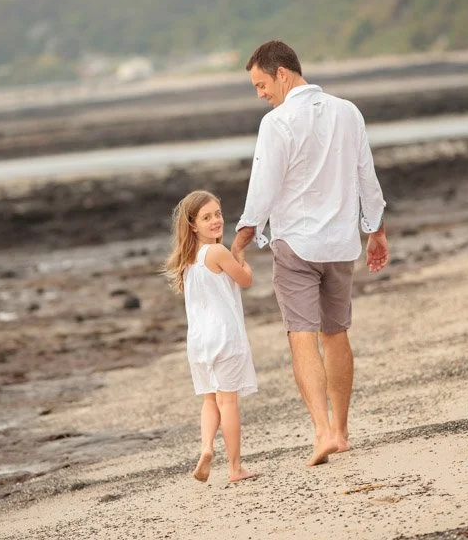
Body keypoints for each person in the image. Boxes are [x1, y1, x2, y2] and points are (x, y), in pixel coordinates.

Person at [231, 40, 389, 467]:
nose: (260, 94)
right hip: (341, 245)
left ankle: (321, 430)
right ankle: (341, 430)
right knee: (335, 333)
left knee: (301, 334)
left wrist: (242, 237)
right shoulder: (347, 111)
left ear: (282, 73)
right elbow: (365, 175)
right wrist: (375, 231)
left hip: (296, 244)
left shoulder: (277, 123)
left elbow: (262, 187)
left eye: (261, 84)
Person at [165, 190, 258, 483]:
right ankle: (234, 467)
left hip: (198, 341)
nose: (216, 220)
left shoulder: (187, 258)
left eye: (217, 214)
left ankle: (206, 448)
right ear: (193, 225)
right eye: (207, 217)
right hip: (224, 336)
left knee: (209, 399)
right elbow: (244, 279)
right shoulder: (217, 252)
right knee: (228, 402)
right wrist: (243, 261)